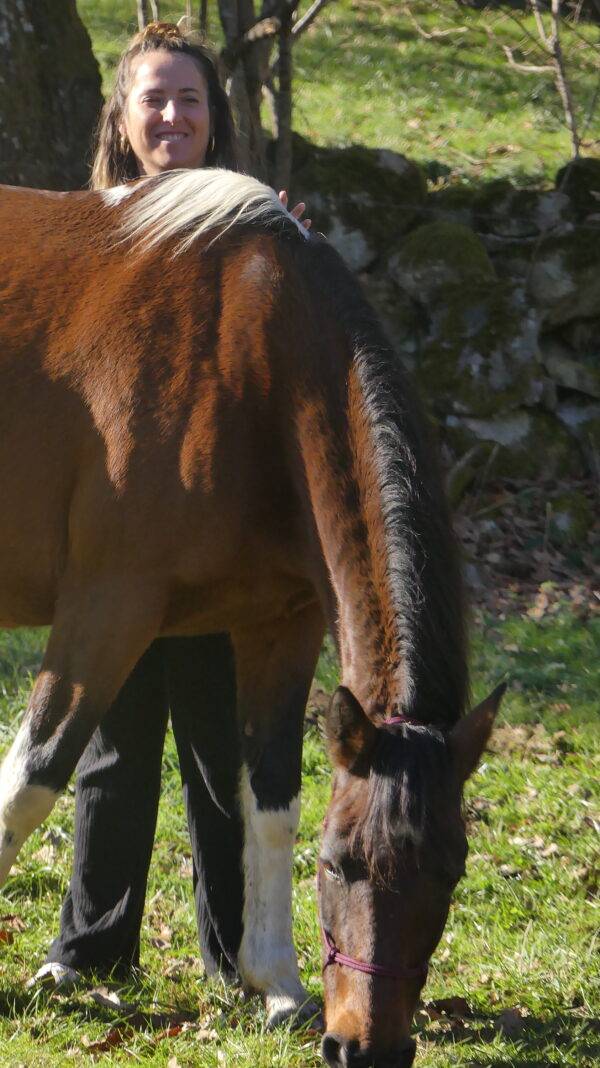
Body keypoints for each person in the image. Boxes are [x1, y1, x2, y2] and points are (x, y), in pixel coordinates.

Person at [32, 19, 308, 990]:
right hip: (112, 531)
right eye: (155, 97)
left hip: (219, 541)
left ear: (214, 118)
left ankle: (238, 957)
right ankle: (90, 950)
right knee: (111, 751)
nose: (173, 114)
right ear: (124, 114)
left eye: (190, 98)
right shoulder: (83, 231)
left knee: (218, 756)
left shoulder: (256, 227)